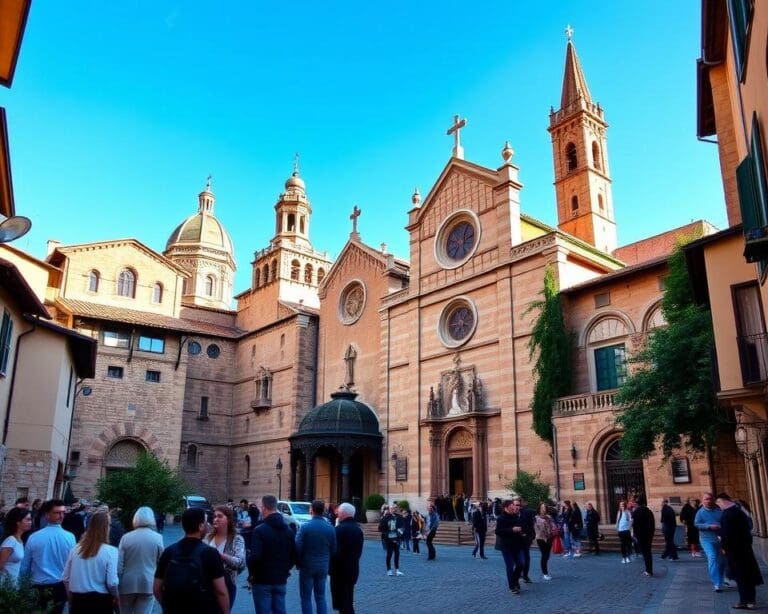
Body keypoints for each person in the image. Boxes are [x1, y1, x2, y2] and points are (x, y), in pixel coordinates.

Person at [153, 507, 229, 614]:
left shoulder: (169, 552)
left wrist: (167, 606)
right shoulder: (210, 553)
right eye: (206, 523)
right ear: (201, 526)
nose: (208, 526)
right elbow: (221, 591)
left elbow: (156, 588)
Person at [20, 498, 76, 613]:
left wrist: (22, 586)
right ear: (47, 515)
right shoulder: (70, 537)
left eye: (63, 513)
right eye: (57, 513)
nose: (61, 516)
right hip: (53, 586)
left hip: (43, 585)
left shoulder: (34, 537)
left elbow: (25, 565)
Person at [62, 511, 118, 613]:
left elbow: (66, 577)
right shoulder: (111, 551)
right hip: (101, 601)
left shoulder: (75, 550)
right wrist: (116, 596)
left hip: (78, 599)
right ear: (106, 527)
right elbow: (112, 582)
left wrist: (70, 599)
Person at [248, 494, 296, 614]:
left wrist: (252, 573)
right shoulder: (288, 530)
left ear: (264, 507)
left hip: (262, 579)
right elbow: (294, 555)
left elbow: (255, 557)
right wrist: (285, 569)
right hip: (281, 578)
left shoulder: (259, 530)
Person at [717, 493, 763, 610]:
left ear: (722, 501)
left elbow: (726, 534)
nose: (718, 506)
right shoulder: (739, 511)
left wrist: (722, 542)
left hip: (735, 550)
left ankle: (744, 601)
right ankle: (751, 601)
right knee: (748, 575)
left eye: (718, 503)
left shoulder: (728, 514)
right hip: (745, 548)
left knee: (741, 576)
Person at [118, 506, 164, 614]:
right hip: (148, 582)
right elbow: (162, 563)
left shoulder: (126, 537)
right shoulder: (157, 538)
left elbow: (119, 565)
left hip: (127, 583)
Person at [296, 499, 337, 614]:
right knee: (321, 597)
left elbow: (297, 547)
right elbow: (334, 549)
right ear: (323, 510)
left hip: (307, 565)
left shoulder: (305, 527)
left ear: (311, 510)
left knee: (306, 597)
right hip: (323, 565)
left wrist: (298, 563)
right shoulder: (330, 528)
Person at [204, 505, 246, 608]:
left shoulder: (236, 539)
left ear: (228, 519)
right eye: (214, 517)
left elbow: (241, 562)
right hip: (206, 584)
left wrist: (220, 556)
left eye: (220, 516)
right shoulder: (208, 537)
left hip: (227, 585)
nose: (215, 519)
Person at [329, 503, 363, 614]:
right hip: (353, 569)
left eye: (338, 511)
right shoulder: (358, 530)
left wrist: (330, 569)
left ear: (343, 513)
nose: (337, 513)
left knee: (343, 603)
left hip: (339, 571)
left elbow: (335, 553)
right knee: (348, 600)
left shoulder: (339, 530)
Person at [694, 491, 726, 592]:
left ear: (713, 500)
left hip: (720, 539)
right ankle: (717, 583)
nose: (708, 501)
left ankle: (720, 579)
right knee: (712, 557)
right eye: (706, 499)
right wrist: (708, 526)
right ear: (702, 501)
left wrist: (721, 530)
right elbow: (697, 524)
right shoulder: (700, 512)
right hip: (706, 539)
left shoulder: (719, 511)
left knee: (721, 561)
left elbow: (725, 523)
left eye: (710, 499)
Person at [495, 499, 526, 594]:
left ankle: (515, 580)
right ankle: (512, 586)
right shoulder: (501, 518)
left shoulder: (516, 516)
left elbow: (521, 526)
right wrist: (512, 530)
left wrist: (521, 531)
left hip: (517, 545)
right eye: (512, 505)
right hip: (507, 546)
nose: (514, 506)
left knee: (521, 563)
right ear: (507, 507)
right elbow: (498, 531)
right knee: (510, 566)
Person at [0, 506, 32, 582]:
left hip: (12, 583)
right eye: (27, 520)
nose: (30, 522)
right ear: (18, 522)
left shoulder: (19, 539)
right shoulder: (10, 541)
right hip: (5, 584)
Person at [632, 495, 655, 577]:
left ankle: (648, 571)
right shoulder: (649, 512)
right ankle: (649, 570)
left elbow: (634, 525)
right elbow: (653, 525)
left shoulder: (636, 512)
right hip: (649, 535)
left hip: (641, 536)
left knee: (645, 553)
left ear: (638, 504)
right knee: (648, 552)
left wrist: (635, 536)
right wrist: (652, 534)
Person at [378, 505, 404, 576]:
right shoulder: (386, 517)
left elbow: (402, 526)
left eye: (394, 508)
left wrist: (401, 531)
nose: (393, 509)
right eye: (392, 508)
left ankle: (397, 570)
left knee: (397, 553)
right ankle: (389, 570)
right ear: (389, 510)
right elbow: (380, 528)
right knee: (389, 554)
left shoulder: (399, 517)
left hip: (397, 538)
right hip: (389, 538)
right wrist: (386, 533)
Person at [533, 503, 554, 580]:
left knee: (547, 555)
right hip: (541, 538)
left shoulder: (549, 517)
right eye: (542, 507)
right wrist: (544, 522)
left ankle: (545, 571)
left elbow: (552, 526)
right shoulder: (536, 518)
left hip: (549, 537)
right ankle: (545, 573)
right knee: (544, 555)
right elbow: (538, 529)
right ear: (539, 509)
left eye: (545, 507)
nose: (544, 509)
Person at [519, 497, 535, 581]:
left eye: (519, 504)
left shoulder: (527, 512)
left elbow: (531, 525)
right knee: (518, 558)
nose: (518, 506)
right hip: (516, 540)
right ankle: (520, 574)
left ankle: (525, 575)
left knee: (526, 557)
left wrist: (531, 536)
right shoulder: (512, 514)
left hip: (526, 538)